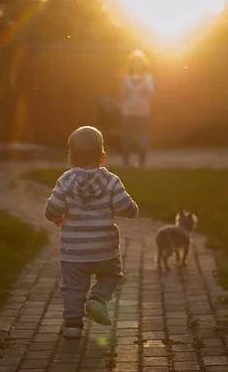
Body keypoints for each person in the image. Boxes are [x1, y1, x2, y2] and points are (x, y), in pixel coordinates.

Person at [43, 126, 139, 339]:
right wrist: (132, 211)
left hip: (73, 252)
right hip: (105, 250)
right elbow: (126, 208)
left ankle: (73, 325)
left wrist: (58, 215)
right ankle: (97, 299)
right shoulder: (111, 181)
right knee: (112, 274)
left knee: (73, 288)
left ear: (70, 158)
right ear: (103, 157)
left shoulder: (65, 181)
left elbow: (50, 211)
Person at [120, 49, 154, 167]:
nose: (136, 63)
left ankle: (142, 162)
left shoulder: (148, 78)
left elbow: (151, 93)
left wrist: (143, 85)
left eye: (139, 61)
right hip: (127, 112)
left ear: (143, 63)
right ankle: (126, 163)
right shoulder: (126, 78)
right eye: (134, 61)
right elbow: (122, 94)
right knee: (126, 138)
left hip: (142, 112)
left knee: (142, 137)